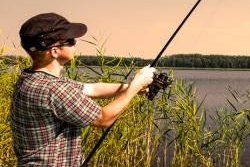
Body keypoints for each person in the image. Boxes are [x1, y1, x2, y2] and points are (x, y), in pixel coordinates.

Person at [10, 12, 156, 166]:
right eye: (70, 41)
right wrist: (133, 88)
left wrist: (131, 87)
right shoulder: (54, 89)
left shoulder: (30, 78)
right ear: (54, 51)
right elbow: (103, 118)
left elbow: (91, 89)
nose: (76, 43)